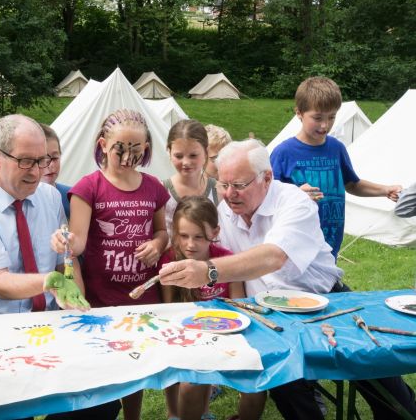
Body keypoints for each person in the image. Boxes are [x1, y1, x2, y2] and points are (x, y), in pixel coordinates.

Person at [159, 139, 416, 420]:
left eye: (239, 185)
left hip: (327, 302)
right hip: (269, 316)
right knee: (284, 383)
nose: (229, 194)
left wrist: (208, 270)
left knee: (376, 371)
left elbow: (273, 257)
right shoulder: (225, 212)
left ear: (266, 178)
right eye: (223, 184)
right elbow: (202, 242)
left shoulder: (294, 201)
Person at [51, 109, 170, 420]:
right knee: (107, 364)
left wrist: (157, 244)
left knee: (136, 362)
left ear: (146, 150)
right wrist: (64, 241)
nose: (128, 155)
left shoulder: (154, 186)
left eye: (136, 148)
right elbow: (77, 241)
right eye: (121, 147)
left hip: (142, 295)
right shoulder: (89, 187)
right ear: (103, 144)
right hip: (101, 296)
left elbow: (162, 231)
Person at [0, 114, 87, 317]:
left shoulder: (50, 197)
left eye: (42, 160)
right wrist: (50, 282)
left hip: (46, 322)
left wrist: (78, 306)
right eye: (25, 161)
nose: (36, 172)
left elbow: (65, 261)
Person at [270, 76, 402, 259]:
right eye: (317, 118)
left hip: (331, 245)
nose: (325, 125)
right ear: (299, 113)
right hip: (295, 247)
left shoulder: (336, 148)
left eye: (331, 117)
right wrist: (296, 195)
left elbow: (352, 184)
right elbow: (267, 200)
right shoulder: (283, 153)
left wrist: (385, 190)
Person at [159, 196, 245, 420]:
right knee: (176, 374)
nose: (190, 244)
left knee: (204, 375)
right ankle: (173, 414)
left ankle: (204, 412)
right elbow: (168, 308)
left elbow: (237, 305)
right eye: (184, 236)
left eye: (198, 237)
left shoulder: (226, 260)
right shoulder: (170, 260)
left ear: (215, 233)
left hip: (219, 331)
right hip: (181, 333)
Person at [163, 119, 219, 239]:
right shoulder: (161, 191)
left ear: (206, 152)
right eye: (179, 156)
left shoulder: (218, 190)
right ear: (169, 152)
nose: (186, 162)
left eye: (193, 155)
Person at [40, 123, 71, 219]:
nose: (51, 165)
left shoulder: (71, 196)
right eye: (42, 159)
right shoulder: (20, 201)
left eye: (54, 158)